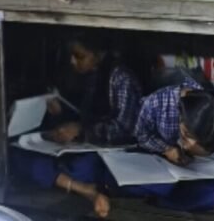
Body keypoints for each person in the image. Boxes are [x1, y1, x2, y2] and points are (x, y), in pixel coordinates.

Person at [11, 38, 143, 218]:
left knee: (79, 167)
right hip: (82, 147)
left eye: (79, 56)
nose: (73, 62)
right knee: (18, 155)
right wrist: (60, 114)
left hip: (108, 154)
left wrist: (81, 130)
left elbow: (125, 129)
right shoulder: (91, 75)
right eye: (72, 56)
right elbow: (84, 116)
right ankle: (83, 189)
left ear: (99, 55)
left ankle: (76, 185)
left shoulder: (120, 77)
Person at [125, 78, 214, 212]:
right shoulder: (156, 104)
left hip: (199, 172)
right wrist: (166, 148)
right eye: (185, 135)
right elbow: (141, 135)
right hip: (160, 166)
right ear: (180, 116)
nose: (187, 146)